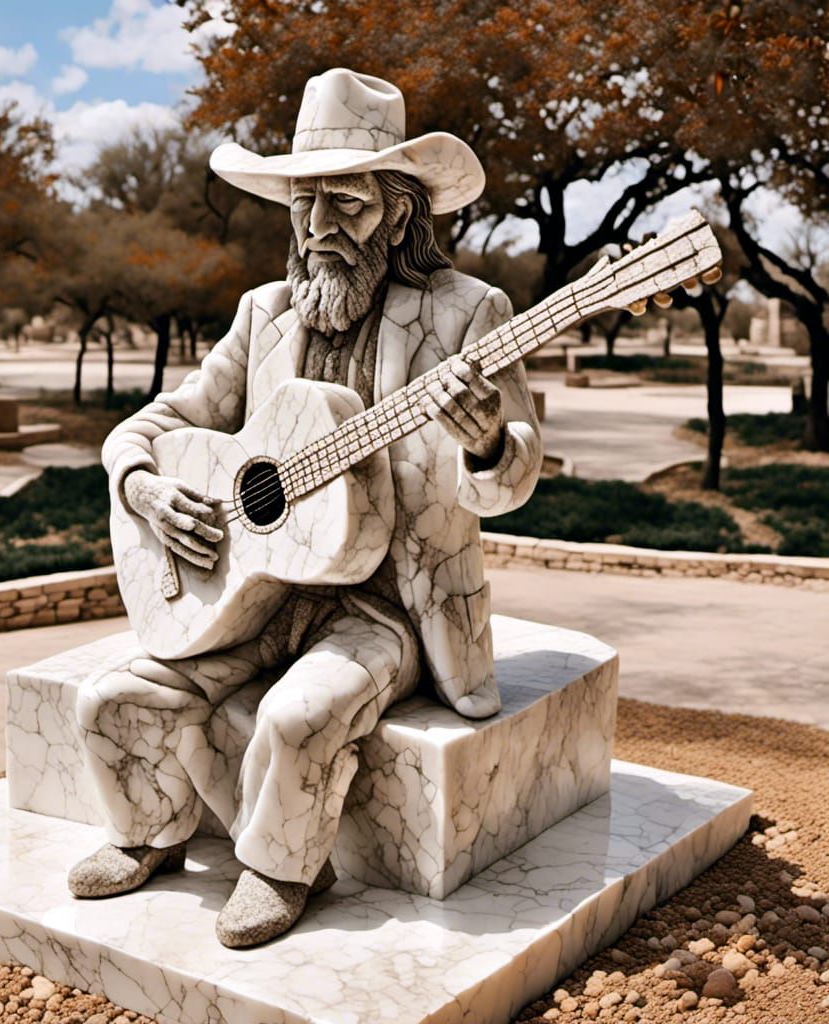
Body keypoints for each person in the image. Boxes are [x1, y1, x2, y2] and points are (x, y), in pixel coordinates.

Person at [68, 68, 543, 948]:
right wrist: (142, 486)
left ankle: (281, 870)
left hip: (387, 605)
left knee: (296, 716)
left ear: (400, 213)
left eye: (348, 205)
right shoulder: (267, 314)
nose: (321, 229)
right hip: (260, 588)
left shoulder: (469, 313)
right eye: (305, 205)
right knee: (111, 699)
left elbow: (515, 477)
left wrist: (483, 444)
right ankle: (148, 835)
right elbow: (161, 421)